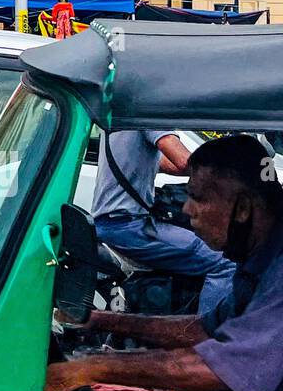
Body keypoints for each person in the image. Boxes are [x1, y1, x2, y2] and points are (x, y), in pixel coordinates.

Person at [46, 136, 283, 391]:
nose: (187, 209)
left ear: (244, 208)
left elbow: (216, 368)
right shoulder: (266, 256)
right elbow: (204, 330)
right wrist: (101, 320)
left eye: (197, 198)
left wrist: (90, 368)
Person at [92, 128, 236, 317]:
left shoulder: (124, 114)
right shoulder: (150, 114)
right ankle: (204, 338)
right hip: (128, 226)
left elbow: (169, 165)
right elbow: (185, 161)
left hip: (111, 223)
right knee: (224, 261)